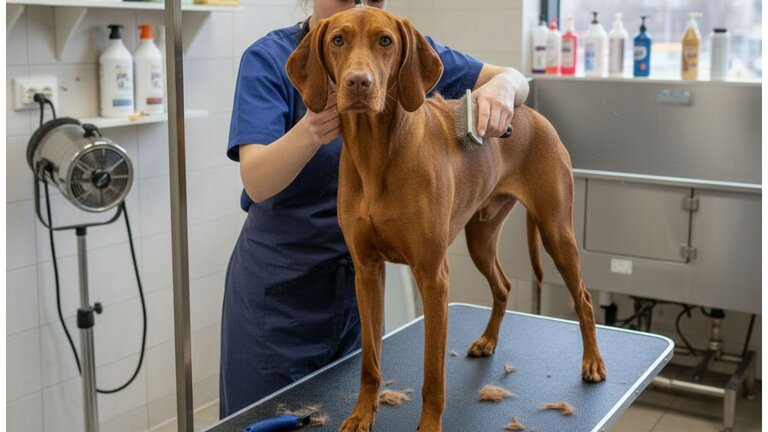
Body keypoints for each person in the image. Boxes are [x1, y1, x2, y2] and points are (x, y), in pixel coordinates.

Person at [220, 0, 530, 418]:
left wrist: (504, 88)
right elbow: (256, 182)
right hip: (279, 300)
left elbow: (513, 78)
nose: (360, 2)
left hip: (353, 298)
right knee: (265, 420)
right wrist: (311, 131)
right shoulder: (269, 58)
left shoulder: (394, 39)